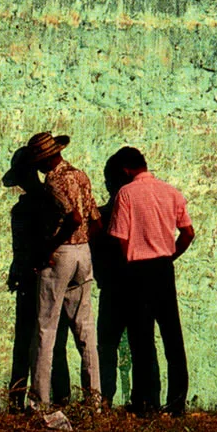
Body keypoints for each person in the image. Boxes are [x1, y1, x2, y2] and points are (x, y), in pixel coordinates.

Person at [108, 146, 195, 417]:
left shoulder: (126, 194)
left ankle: (149, 402)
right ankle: (178, 402)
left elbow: (120, 238)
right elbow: (188, 233)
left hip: (137, 271)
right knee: (172, 336)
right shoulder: (171, 191)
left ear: (125, 170)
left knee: (142, 339)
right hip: (163, 268)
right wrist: (170, 255)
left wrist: (128, 265)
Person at [24, 132, 101, 409]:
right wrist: (83, 244)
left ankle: (39, 400)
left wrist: (49, 248)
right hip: (84, 252)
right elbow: (94, 220)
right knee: (85, 329)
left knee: (46, 327)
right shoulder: (80, 175)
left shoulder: (53, 182)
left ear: (45, 159)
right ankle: (93, 398)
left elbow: (73, 218)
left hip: (62, 253)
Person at [3, 147, 71, 411]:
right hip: (47, 275)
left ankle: (17, 399)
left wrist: (24, 266)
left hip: (35, 275)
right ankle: (60, 397)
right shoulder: (51, 200)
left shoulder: (29, 206)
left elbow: (25, 245)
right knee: (56, 339)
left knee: (27, 340)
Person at [90, 151, 160, 410]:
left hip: (114, 286)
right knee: (143, 344)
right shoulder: (146, 210)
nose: (108, 188)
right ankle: (149, 400)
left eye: (109, 182)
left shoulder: (104, 216)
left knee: (107, 345)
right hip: (139, 284)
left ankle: (105, 398)